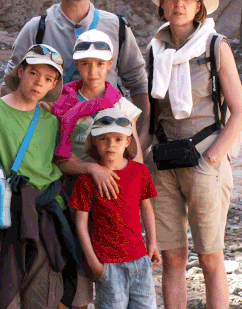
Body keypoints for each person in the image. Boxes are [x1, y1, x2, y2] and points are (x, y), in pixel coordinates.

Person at [143, 0, 242, 309]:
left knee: (210, 258)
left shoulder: (216, 47)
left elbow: (240, 112)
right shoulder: (154, 50)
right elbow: (149, 114)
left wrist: (213, 160)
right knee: (173, 258)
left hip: (206, 161)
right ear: (162, 4)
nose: (179, 3)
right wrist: (137, 156)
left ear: (199, 7)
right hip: (164, 163)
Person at [0, 0, 150, 143]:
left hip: (105, 150)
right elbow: (8, 87)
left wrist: (136, 143)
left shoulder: (117, 28)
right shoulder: (36, 29)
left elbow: (139, 86)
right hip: (46, 146)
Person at [42, 28, 144, 309]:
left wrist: (133, 201)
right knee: (76, 273)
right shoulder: (60, 100)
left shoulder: (122, 107)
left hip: (111, 198)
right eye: (85, 63)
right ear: (77, 64)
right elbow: (58, 158)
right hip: (71, 193)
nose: (93, 70)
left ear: (110, 64)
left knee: (114, 276)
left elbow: (135, 161)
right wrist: (91, 169)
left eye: (100, 63)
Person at [0, 44, 76, 309]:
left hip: (46, 219)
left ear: (53, 85)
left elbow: (60, 166)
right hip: (7, 218)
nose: (39, 82)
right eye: (34, 73)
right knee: (4, 299)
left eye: (48, 79)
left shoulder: (52, 122)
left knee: (43, 299)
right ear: (21, 71)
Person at [69, 108, 162, 309]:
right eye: (104, 138)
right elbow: (81, 223)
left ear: (128, 141)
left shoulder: (140, 171)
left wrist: (152, 243)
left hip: (140, 260)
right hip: (107, 264)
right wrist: (94, 263)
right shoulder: (87, 180)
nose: (111, 144)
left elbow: (146, 208)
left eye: (118, 139)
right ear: (94, 140)